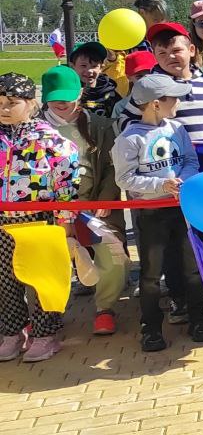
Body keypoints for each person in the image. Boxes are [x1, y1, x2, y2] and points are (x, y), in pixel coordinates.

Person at [111, 74, 203, 353]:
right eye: (174, 98)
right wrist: (160, 185)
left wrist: (184, 181)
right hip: (151, 213)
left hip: (181, 210)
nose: (179, 102)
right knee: (151, 273)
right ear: (156, 104)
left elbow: (190, 161)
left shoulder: (177, 129)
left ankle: (198, 317)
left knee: (191, 267)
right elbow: (125, 179)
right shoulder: (129, 139)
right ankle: (151, 326)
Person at [41, 65, 128, 337]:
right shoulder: (34, 128)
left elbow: (114, 167)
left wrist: (104, 199)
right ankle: (45, 315)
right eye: (55, 96)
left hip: (92, 208)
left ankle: (105, 308)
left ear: (80, 92)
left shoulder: (100, 125)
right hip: (48, 212)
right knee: (41, 263)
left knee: (114, 258)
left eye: (67, 95)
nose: (61, 102)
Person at [0, 73, 79, 363]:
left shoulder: (48, 140)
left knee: (44, 280)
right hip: (3, 222)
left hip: (39, 220)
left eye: (12, 102)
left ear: (31, 103)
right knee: (5, 280)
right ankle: (12, 331)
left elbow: (66, 182)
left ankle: (47, 334)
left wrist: (65, 220)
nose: (5, 109)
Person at [118, 22, 203, 174]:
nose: (170, 56)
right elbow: (125, 122)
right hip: (170, 166)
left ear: (191, 50)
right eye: (162, 53)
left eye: (176, 50)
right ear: (154, 56)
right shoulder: (150, 87)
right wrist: (153, 137)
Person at [68, 41, 122, 118]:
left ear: (101, 68)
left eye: (94, 66)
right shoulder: (66, 92)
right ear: (72, 66)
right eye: (83, 65)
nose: (89, 70)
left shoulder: (110, 94)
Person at [112, 51, 157, 120]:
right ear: (129, 77)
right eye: (139, 76)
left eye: (151, 74)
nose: (146, 79)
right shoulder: (121, 106)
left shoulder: (168, 99)